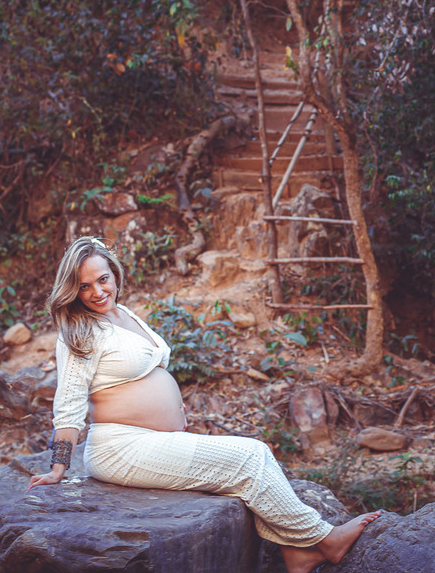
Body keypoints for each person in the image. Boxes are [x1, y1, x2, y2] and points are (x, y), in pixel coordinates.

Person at [27, 236, 379, 573]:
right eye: (85, 287)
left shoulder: (124, 314)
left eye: (103, 280)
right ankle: (325, 539)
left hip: (150, 441)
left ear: (115, 274)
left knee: (251, 460)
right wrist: (59, 468)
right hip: (119, 447)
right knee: (250, 457)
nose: (97, 292)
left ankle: (295, 553)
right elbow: (69, 401)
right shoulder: (79, 330)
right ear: (73, 290)